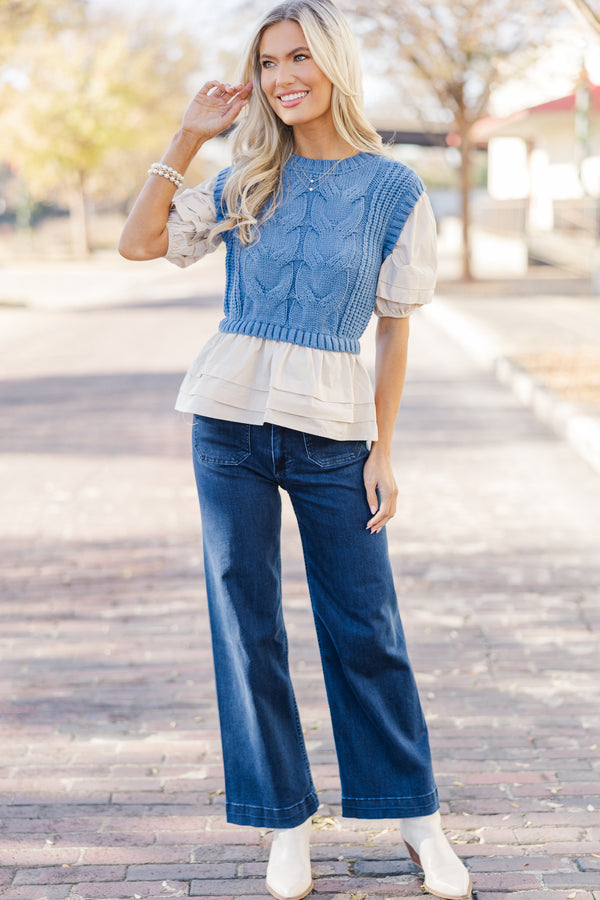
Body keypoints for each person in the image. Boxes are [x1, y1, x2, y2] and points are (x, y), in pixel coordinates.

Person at [119, 1, 472, 898]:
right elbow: (140, 241)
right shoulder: (243, 181)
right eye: (270, 61)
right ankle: (284, 825)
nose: (282, 77)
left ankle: (418, 820)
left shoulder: (394, 189)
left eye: (300, 58)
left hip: (333, 435)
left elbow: (394, 331)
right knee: (247, 625)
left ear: (335, 66)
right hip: (227, 425)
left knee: (367, 630)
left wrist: (384, 451)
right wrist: (188, 135)